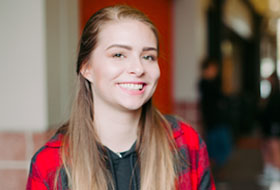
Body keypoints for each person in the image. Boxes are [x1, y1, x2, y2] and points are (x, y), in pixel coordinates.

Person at [26, 5, 215, 190]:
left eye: (148, 56)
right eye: (118, 55)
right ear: (86, 68)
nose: (139, 69)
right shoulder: (50, 164)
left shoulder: (186, 143)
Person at [198, 58, 232, 180]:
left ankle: (217, 171)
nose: (214, 71)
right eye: (212, 69)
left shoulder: (215, 83)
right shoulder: (204, 84)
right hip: (212, 122)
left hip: (220, 121)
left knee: (223, 147)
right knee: (214, 148)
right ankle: (212, 173)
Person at [259, 72, 280, 186]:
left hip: (275, 124)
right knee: (266, 147)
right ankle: (270, 171)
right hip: (268, 124)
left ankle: (277, 173)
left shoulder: (277, 94)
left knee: (274, 147)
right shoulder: (271, 93)